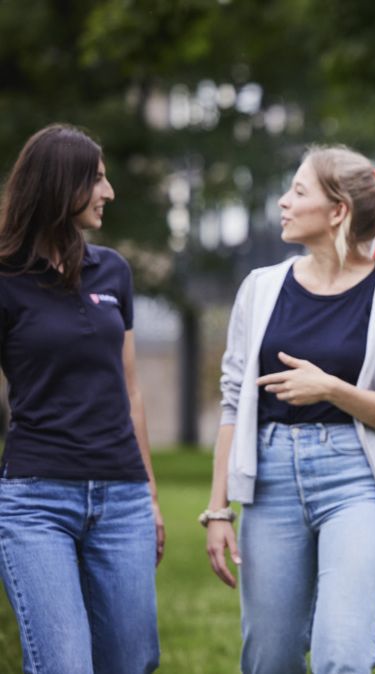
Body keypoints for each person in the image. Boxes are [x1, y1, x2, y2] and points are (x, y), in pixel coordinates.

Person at [202, 147, 375, 672]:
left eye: (299, 191)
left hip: (357, 481)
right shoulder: (261, 288)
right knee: (270, 658)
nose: (284, 202)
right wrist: (219, 508)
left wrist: (333, 389)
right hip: (269, 484)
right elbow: (235, 399)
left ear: (338, 212)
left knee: (344, 656)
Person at [0, 123, 164, 673]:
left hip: (122, 499)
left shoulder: (113, 270)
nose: (109, 191)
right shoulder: (5, 278)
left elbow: (131, 388)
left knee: (132, 662)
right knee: (64, 665)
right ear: (58, 185)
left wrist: (151, 492)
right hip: (35, 502)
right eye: (96, 179)